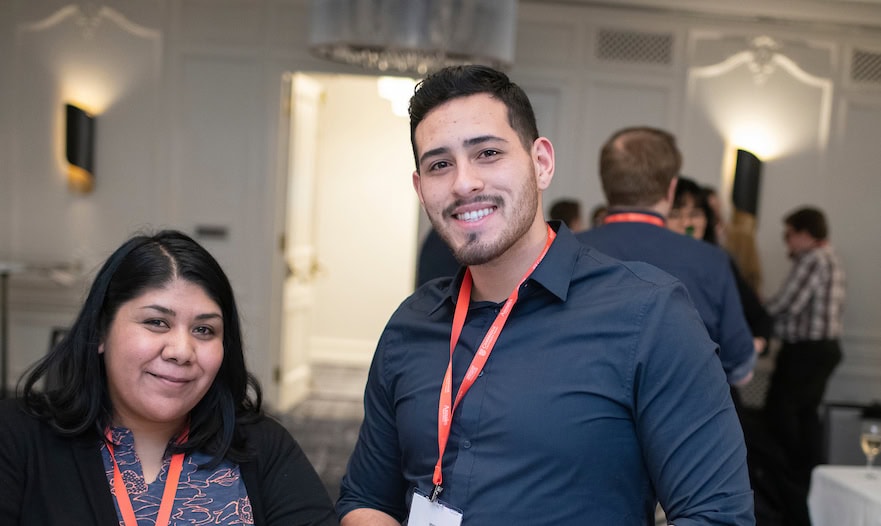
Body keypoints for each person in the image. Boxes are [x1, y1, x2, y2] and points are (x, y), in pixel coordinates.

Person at [337, 65, 753, 525]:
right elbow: (365, 498)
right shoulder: (409, 325)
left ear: (541, 163)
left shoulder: (649, 316)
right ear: (421, 189)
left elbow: (717, 515)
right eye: (439, 165)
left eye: (488, 153)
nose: (463, 183)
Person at [0, 230, 338, 526]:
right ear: (102, 331)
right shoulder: (17, 436)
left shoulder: (262, 445)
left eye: (204, 330)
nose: (181, 350)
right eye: (157, 322)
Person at [577, 127, 756, 387]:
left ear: (605, 183)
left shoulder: (561, 250)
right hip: (682, 418)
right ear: (671, 189)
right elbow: (740, 365)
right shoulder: (711, 260)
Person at [762, 206, 846, 525]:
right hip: (823, 350)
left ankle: (790, 489)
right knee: (805, 417)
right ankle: (806, 486)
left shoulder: (812, 259)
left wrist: (757, 309)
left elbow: (788, 305)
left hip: (806, 352)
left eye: (789, 234)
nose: (787, 242)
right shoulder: (831, 256)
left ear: (804, 233)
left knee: (782, 417)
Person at [669, 176, 772, 356]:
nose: (686, 223)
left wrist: (752, 347)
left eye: (694, 214)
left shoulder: (718, 262)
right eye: (675, 214)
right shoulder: (652, 260)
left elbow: (759, 317)